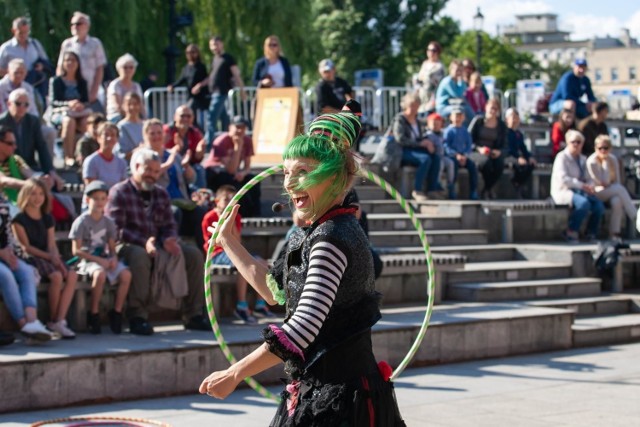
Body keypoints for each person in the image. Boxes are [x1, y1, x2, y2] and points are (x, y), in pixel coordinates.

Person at [199, 100, 406, 426]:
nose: (289, 183)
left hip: (340, 401)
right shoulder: (310, 233)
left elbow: (301, 329)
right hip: (316, 390)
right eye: (286, 172)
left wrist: (234, 373)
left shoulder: (331, 238)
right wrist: (229, 243)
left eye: (303, 172)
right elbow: (275, 290)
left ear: (334, 177)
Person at [105, 148, 209, 335]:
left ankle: (194, 314)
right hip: (127, 244)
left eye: (155, 171)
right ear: (136, 167)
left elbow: (169, 223)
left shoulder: (160, 193)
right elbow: (115, 230)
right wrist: (144, 242)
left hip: (157, 243)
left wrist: (169, 238)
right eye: (148, 170)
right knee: (139, 256)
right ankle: (138, 316)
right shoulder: (119, 192)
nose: (152, 175)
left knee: (192, 254)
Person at [12, 178, 78, 338]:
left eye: (41, 193)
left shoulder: (47, 217)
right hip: (31, 257)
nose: (37, 197)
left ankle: (60, 320)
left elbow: (51, 243)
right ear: (26, 195)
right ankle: (52, 319)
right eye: (33, 193)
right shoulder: (19, 219)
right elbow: (26, 247)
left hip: (47, 254)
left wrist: (56, 258)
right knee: (55, 277)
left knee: (71, 275)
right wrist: (50, 257)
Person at [201, 185, 274, 324]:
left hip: (230, 250)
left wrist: (231, 220)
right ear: (217, 201)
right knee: (242, 264)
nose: (229, 203)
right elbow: (214, 242)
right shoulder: (209, 216)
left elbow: (237, 241)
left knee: (263, 262)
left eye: (232, 200)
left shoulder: (237, 217)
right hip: (216, 253)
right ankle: (241, 305)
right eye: (226, 200)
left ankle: (260, 303)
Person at [69, 180, 131, 334]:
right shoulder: (81, 222)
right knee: (100, 274)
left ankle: (116, 312)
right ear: (88, 200)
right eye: (96, 198)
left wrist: (113, 258)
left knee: (126, 275)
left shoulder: (108, 222)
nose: (99, 202)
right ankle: (94, 312)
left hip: (104, 257)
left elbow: (111, 247)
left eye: (103, 198)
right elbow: (76, 251)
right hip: (87, 260)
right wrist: (99, 261)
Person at [144, 118, 206, 249]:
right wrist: (168, 164)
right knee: (174, 212)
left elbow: (191, 179)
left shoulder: (172, 155)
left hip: (181, 199)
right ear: (146, 136)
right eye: (152, 133)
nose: (156, 136)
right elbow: (149, 178)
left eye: (159, 133)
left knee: (201, 212)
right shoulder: (143, 156)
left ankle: (206, 254)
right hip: (159, 202)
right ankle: (172, 247)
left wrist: (187, 166)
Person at [0, 193, 52, 342]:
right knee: (6, 276)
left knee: (26, 272)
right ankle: (24, 326)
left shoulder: (3, 201)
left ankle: (32, 321)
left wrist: (12, 255)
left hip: (4, 254)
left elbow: (8, 234)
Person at [550, 130, 605, 243]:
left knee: (598, 206)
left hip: (581, 191)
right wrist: (581, 185)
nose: (576, 144)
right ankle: (571, 231)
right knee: (583, 204)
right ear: (567, 142)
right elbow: (563, 179)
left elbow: (589, 178)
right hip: (564, 190)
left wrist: (590, 186)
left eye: (578, 142)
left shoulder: (583, 159)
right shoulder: (561, 157)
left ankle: (590, 233)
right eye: (573, 142)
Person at [204, 115, 261, 218]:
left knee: (253, 180)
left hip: (234, 171)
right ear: (230, 127)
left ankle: (255, 213)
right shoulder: (221, 141)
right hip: (216, 174)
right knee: (233, 182)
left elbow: (247, 166)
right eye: (237, 127)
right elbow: (230, 170)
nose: (240, 130)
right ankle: (239, 213)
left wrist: (242, 173)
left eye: (243, 128)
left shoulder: (247, 140)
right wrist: (238, 147)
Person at [192, 36, 245, 145]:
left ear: (221, 44)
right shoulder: (215, 59)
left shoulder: (228, 58)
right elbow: (211, 77)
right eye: (212, 45)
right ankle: (228, 141)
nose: (214, 47)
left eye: (216, 44)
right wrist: (200, 85)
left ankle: (207, 144)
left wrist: (242, 90)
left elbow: (236, 74)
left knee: (211, 118)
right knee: (224, 119)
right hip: (214, 92)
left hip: (222, 92)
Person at [0, 59, 57, 159]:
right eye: (16, 72)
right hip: (5, 125)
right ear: (8, 71)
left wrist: (30, 124)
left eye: (21, 72)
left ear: (26, 73)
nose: (18, 75)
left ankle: (49, 166)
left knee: (49, 132)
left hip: (26, 121)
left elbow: (33, 110)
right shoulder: (1, 87)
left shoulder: (28, 88)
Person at [392, 92, 443, 200]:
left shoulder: (418, 121)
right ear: (406, 105)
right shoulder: (400, 119)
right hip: (402, 151)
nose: (414, 109)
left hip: (416, 149)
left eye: (416, 106)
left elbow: (419, 137)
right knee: (425, 159)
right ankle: (417, 190)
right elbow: (400, 139)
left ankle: (432, 189)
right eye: (412, 106)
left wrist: (427, 143)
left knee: (436, 158)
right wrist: (420, 143)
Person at [586, 135, 637, 240]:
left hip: (611, 190)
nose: (603, 151)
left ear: (610, 148)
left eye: (606, 148)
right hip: (596, 191)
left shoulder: (613, 159)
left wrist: (607, 163)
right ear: (595, 148)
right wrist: (605, 164)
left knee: (617, 201)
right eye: (600, 148)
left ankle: (614, 234)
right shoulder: (592, 161)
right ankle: (635, 217)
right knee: (619, 189)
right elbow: (599, 182)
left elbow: (616, 180)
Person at [56, 11, 107, 112]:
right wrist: (60, 87)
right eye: (73, 24)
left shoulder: (95, 44)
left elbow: (99, 68)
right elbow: (60, 67)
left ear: (87, 26)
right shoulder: (67, 44)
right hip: (71, 90)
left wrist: (94, 91)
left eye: (79, 24)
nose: (75, 26)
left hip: (90, 88)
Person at [50, 51, 91, 166]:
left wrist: (81, 105)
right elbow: (54, 102)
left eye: (73, 60)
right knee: (69, 122)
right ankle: (68, 156)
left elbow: (86, 101)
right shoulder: (56, 81)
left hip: (79, 113)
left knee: (87, 122)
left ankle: (83, 154)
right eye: (67, 60)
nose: (70, 63)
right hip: (62, 113)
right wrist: (69, 104)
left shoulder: (82, 82)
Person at [0, 17, 53, 101]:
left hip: (35, 84)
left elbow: (46, 62)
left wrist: (41, 66)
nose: (24, 35)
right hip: (14, 87)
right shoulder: (6, 48)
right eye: (21, 33)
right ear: (13, 31)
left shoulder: (35, 44)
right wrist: (15, 73)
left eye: (26, 32)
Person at [468, 98, 507, 200]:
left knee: (499, 164)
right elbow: (468, 140)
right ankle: (488, 190)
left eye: (495, 109)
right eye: (491, 108)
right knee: (486, 163)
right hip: (476, 151)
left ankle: (487, 188)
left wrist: (499, 151)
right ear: (486, 108)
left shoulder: (501, 125)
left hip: (492, 151)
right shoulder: (478, 121)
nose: (493, 111)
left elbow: (504, 144)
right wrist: (479, 149)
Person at [164, 104, 206, 188]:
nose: (185, 119)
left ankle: (200, 196)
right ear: (175, 117)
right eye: (182, 116)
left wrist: (199, 154)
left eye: (188, 116)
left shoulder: (195, 132)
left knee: (199, 169)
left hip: (188, 165)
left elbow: (196, 159)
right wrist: (176, 149)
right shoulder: (166, 131)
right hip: (171, 163)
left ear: (193, 118)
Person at [168, 44, 209, 126]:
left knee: (188, 111)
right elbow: (181, 80)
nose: (190, 54)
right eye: (188, 52)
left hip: (200, 96)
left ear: (197, 53)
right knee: (192, 117)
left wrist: (199, 86)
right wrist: (172, 86)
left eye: (193, 52)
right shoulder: (186, 68)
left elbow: (207, 79)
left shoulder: (201, 67)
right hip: (190, 95)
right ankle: (196, 130)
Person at [443, 107, 479, 200]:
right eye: (456, 116)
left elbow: (469, 145)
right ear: (451, 117)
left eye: (460, 116)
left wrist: (465, 155)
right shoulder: (448, 131)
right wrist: (456, 155)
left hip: (464, 156)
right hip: (453, 156)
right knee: (453, 166)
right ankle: (452, 189)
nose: (458, 118)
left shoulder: (465, 131)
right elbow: (446, 146)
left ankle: (473, 190)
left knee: (473, 166)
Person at [82, 122, 128, 190]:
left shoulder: (122, 163)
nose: (109, 138)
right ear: (98, 138)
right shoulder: (91, 161)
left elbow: (123, 188)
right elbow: (91, 187)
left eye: (113, 135)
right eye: (106, 135)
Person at [505, 108, 536, 198]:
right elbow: (507, 148)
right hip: (507, 156)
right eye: (512, 117)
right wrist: (517, 158)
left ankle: (518, 184)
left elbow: (523, 148)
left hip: (516, 156)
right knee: (519, 165)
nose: (515, 120)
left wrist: (529, 156)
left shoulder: (518, 134)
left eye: (516, 117)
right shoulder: (504, 132)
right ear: (507, 119)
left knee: (530, 164)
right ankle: (516, 183)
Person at [105, 53, 145, 122]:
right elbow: (118, 105)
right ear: (119, 69)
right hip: (117, 116)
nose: (128, 70)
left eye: (131, 67)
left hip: (134, 116)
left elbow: (140, 105)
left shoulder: (136, 86)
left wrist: (145, 118)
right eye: (125, 67)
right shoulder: (115, 85)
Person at [425, 112, 455, 197]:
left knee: (450, 163)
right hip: (435, 157)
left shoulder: (442, 134)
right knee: (440, 165)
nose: (435, 125)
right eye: (433, 123)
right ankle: (437, 183)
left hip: (443, 156)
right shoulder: (428, 135)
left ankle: (450, 185)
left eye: (438, 123)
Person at [416, 41, 445, 114]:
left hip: (433, 97)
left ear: (438, 52)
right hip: (421, 96)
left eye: (433, 50)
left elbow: (439, 84)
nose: (431, 52)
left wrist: (434, 99)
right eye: (428, 50)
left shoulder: (439, 66)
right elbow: (419, 79)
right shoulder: (425, 64)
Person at [115, 92, 144, 160]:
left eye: (135, 104)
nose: (132, 107)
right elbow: (121, 154)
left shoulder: (145, 125)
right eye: (129, 104)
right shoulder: (121, 126)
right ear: (123, 106)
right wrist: (139, 149)